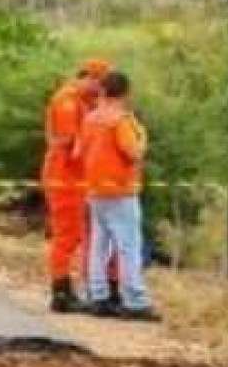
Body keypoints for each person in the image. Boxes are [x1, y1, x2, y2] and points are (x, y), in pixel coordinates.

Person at [76, 70, 158, 321]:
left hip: (95, 190)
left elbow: (79, 151)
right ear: (126, 92)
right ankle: (134, 301)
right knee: (128, 246)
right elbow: (133, 153)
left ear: (103, 91)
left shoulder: (90, 118)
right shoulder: (121, 120)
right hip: (120, 191)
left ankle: (98, 296)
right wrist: (143, 137)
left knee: (99, 245)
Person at [43, 58, 110, 312]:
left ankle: (67, 288)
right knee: (66, 235)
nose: (100, 92)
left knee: (76, 234)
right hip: (64, 178)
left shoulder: (82, 101)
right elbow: (71, 144)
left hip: (74, 178)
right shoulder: (67, 102)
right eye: (99, 85)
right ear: (89, 78)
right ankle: (60, 291)